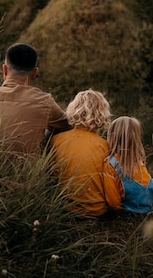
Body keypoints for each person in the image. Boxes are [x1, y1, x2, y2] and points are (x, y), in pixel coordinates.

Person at [0, 43, 70, 156]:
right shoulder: (44, 101)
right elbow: (68, 124)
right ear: (34, 73)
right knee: (53, 130)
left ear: (4, 69)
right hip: (27, 172)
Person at [49, 89, 122, 217]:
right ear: (102, 114)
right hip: (96, 211)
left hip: (64, 209)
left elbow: (52, 177)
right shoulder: (105, 146)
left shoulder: (56, 140)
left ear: (72, 110)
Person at [104, 116, 153, 214]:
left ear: (112, 137)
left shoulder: (110, 165)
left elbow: (113, 202)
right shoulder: (137, 161)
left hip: (136, 210)